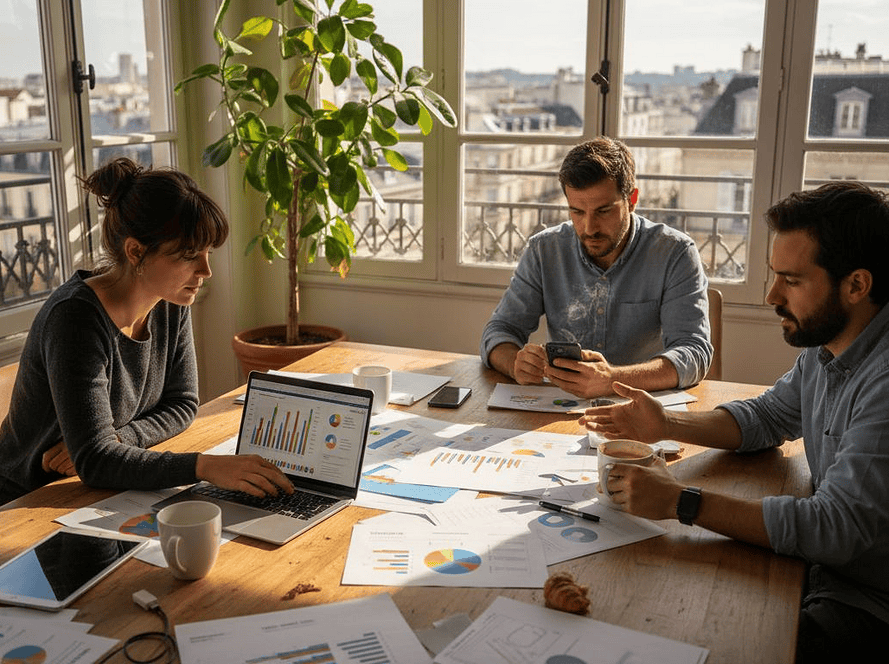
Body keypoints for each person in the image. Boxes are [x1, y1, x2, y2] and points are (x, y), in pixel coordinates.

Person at [580, 181, 889, 661]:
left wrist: (681, 500)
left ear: (856, 285)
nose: (771, 295)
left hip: (867, 604)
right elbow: (769, 415)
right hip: (823, 574)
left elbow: (835, 527)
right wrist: (665, 425)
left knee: (701, 636)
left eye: (791, 280)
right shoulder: (830, 347)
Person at [0, 158, 293, 504]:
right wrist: (205, 467)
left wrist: (120, 438)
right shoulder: (75, 318)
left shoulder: (168, 300)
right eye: (188, 256)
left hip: (97, 493)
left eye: (207, 253)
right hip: (28, 502)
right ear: (136, 252)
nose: (205, 271)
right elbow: (95, 461)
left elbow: (183, 404)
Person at [480, 137, 712, 398]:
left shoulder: (675, 253)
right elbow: (499, 331)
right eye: (577, 212)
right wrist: (515, 364)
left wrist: (613, 379)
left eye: (604, 211)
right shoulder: (544, 250)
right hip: (559, 411)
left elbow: (694, 352)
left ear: (632, 199)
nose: (589, 228)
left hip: (641, 410)